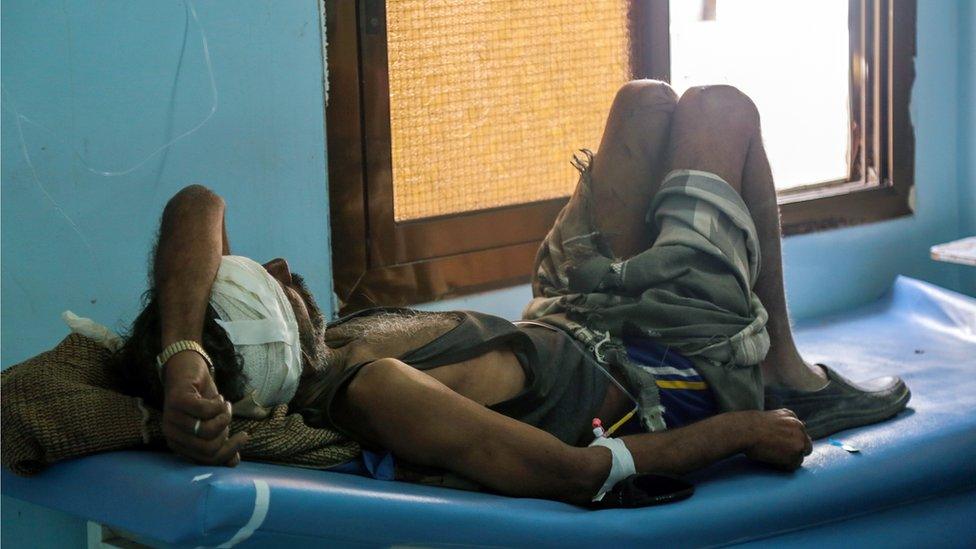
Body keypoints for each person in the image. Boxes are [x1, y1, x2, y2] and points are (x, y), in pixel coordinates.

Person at [113, 81, 910, 505]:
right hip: (659, 369)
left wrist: (184, 359)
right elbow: (578, 470)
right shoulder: (375, 389)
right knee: (722, 110)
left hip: (570, 309)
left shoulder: (315, 352)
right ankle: (781, 373)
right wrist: (740, 428)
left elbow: (196, 204)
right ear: (275, 346)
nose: (285, 268)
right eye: (271, 288)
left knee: (645, 103)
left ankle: (780, 360)